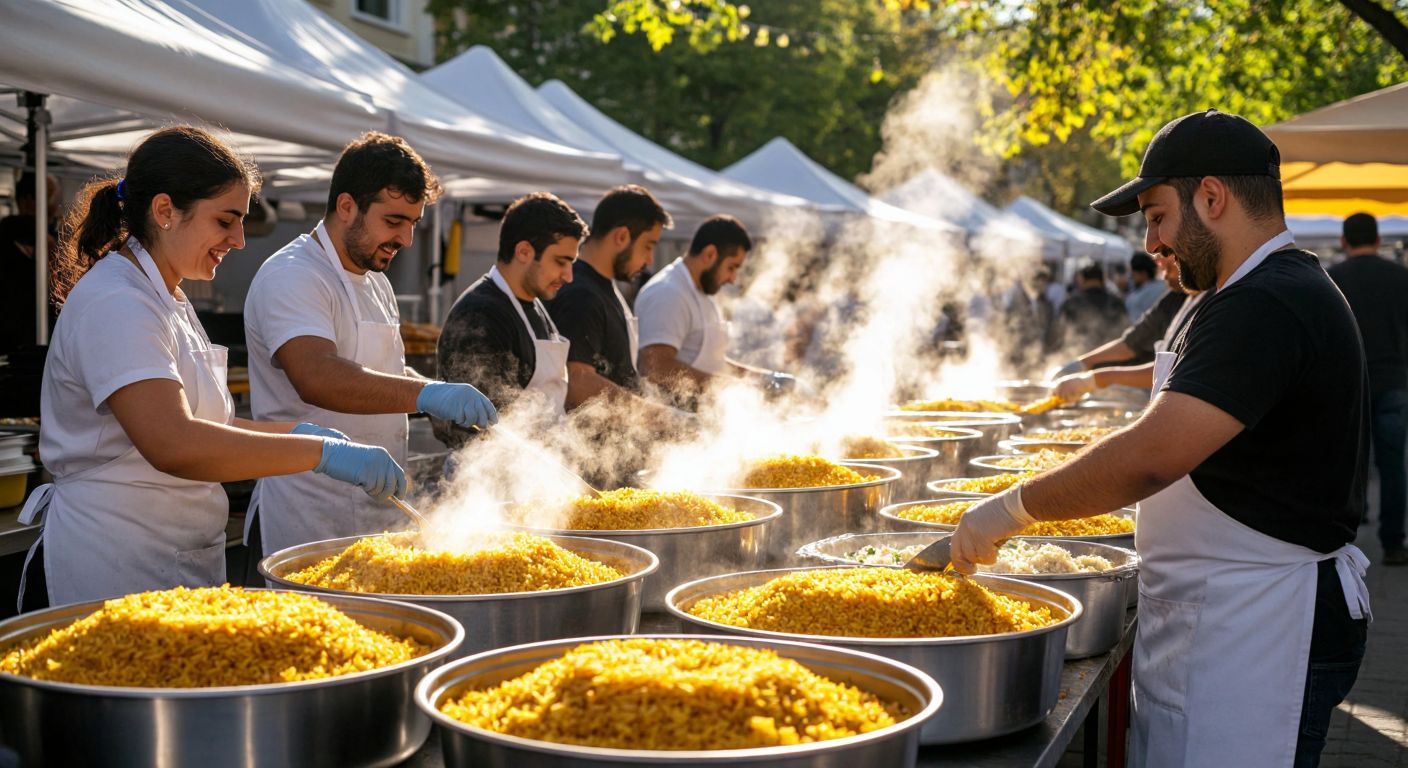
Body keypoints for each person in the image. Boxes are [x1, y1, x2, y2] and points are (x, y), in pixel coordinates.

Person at [951, 110, 1371, 767]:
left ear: (1212, 197)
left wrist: (1009, 509)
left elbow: (1152, 456)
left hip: (1264, 622)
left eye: (1155, 215)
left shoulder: (1268, 300)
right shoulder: (1239, 293)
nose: (1150, 243)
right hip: (1226, 610)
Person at [18, 127, 405, 610]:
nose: (239, 240)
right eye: (226, 221)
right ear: (165, 211)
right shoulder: (117, 301)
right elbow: (175, 443)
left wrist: (300, 432)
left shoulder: (169, 297)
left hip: (173, 558)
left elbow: (211, 427)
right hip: (111, 565)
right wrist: (315, 453)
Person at [243, 132, 497, 557]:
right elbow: (316, 375)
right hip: (307, 517)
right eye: (393, 221)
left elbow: (381, 369)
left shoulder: (377, 281)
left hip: (379, 510)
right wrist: (426, 394)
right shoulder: (292, 275)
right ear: (346, 206)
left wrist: (432, 390)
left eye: (413, 224)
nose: (406, 240)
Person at [435, 192, 586, 448]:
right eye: (561, 261)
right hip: (490, 479)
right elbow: (475, 428)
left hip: (541, 469)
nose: (569, 276)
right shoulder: (480, 315)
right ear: (524, 251)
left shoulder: (536, 306)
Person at [635, 215, 792, 403]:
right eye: (731, 267)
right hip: (676, 415)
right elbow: (656, 368)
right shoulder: (668, 293)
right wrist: (734, 387)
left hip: (703, 413)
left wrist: (764, 378)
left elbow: (713, 362)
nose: (733, 278)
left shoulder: (703, 293)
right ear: (710, 254)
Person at [547, 185, 675, 412]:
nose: (649, 260)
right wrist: (659, 416)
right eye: (648, 246)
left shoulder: (605, 287)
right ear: (622, 236)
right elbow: (577, 381)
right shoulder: (580, 294)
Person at [1328, 212, 1408, 566]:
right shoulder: (1401, 277)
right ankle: (1393, 543)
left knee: (1347, 460)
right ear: (1378, 240)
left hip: (1348, 383)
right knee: (1393, 466)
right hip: (1393, 381)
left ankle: (1342, 535)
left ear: (1344, 242)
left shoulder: (1332, 279)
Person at [1052, 254, 1203, 400]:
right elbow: (1131, 342)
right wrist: (1083, 362)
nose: (1157, 259)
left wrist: (1094, 379)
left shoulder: (1211, 300)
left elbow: (1176, 369)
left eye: (1166, 251)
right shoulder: (1174, 296)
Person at [1, 172, 60, 354]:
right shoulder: (46, 240)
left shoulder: (50, 239)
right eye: (51, 199)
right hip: (26, 340)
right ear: (28, 201)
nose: (56, 208)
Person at [1052, 262, 1127, 356]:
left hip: (1079, 358)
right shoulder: (1116, 302)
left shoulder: (1071, 303)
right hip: (1111, 358)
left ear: (1082, 280)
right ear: (1103, 280)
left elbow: (1057, 333)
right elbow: (1126, 331)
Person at [1124, 251, 1168, 322]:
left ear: (1143, 273)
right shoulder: (1165, 286)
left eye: (1133, 274)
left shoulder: (1135, 299)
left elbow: (1133, 321)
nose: (1131, 277)